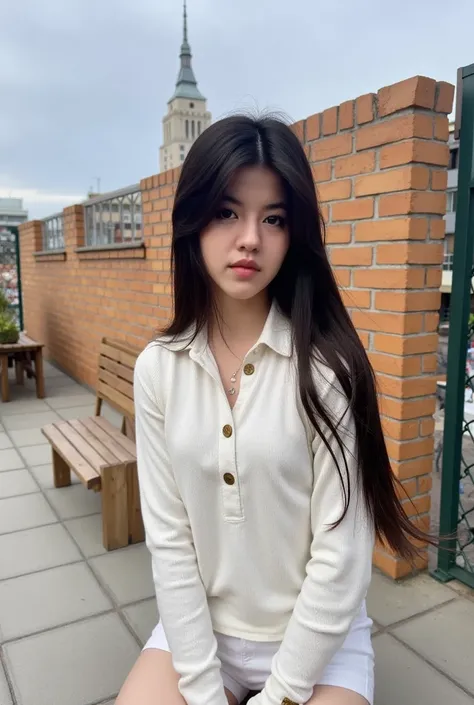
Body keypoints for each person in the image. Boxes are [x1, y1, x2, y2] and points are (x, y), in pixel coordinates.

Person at [117, 115, 430, 705]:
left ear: (295, 234)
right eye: (228, 212)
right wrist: (206, 691)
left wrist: (281, 693)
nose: (250, 239)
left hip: (318, 643)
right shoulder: (159, 368)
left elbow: (342, 558)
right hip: (201, 635)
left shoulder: (327, 369)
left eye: (274, 219)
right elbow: (171, 542)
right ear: (193, 221)